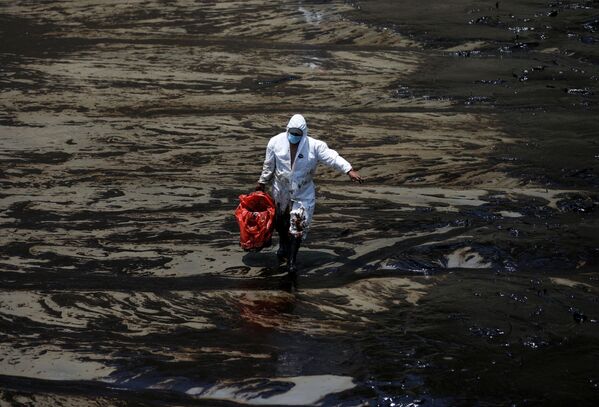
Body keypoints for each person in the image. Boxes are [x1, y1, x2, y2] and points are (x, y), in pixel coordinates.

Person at [256, 114, 363, 286]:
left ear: (304, 133)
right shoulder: (275, 142)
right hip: (281, 188)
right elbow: (269, 165)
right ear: (287, 130)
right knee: (281, 221)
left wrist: (348, 170)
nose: (294, 136)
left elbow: (332, 157)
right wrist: (262, 182)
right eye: (292, 133)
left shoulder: (314, 146)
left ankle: (292, 261)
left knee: (298, 225)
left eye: (298, 134)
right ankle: (283, 245)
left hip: (303, 190)